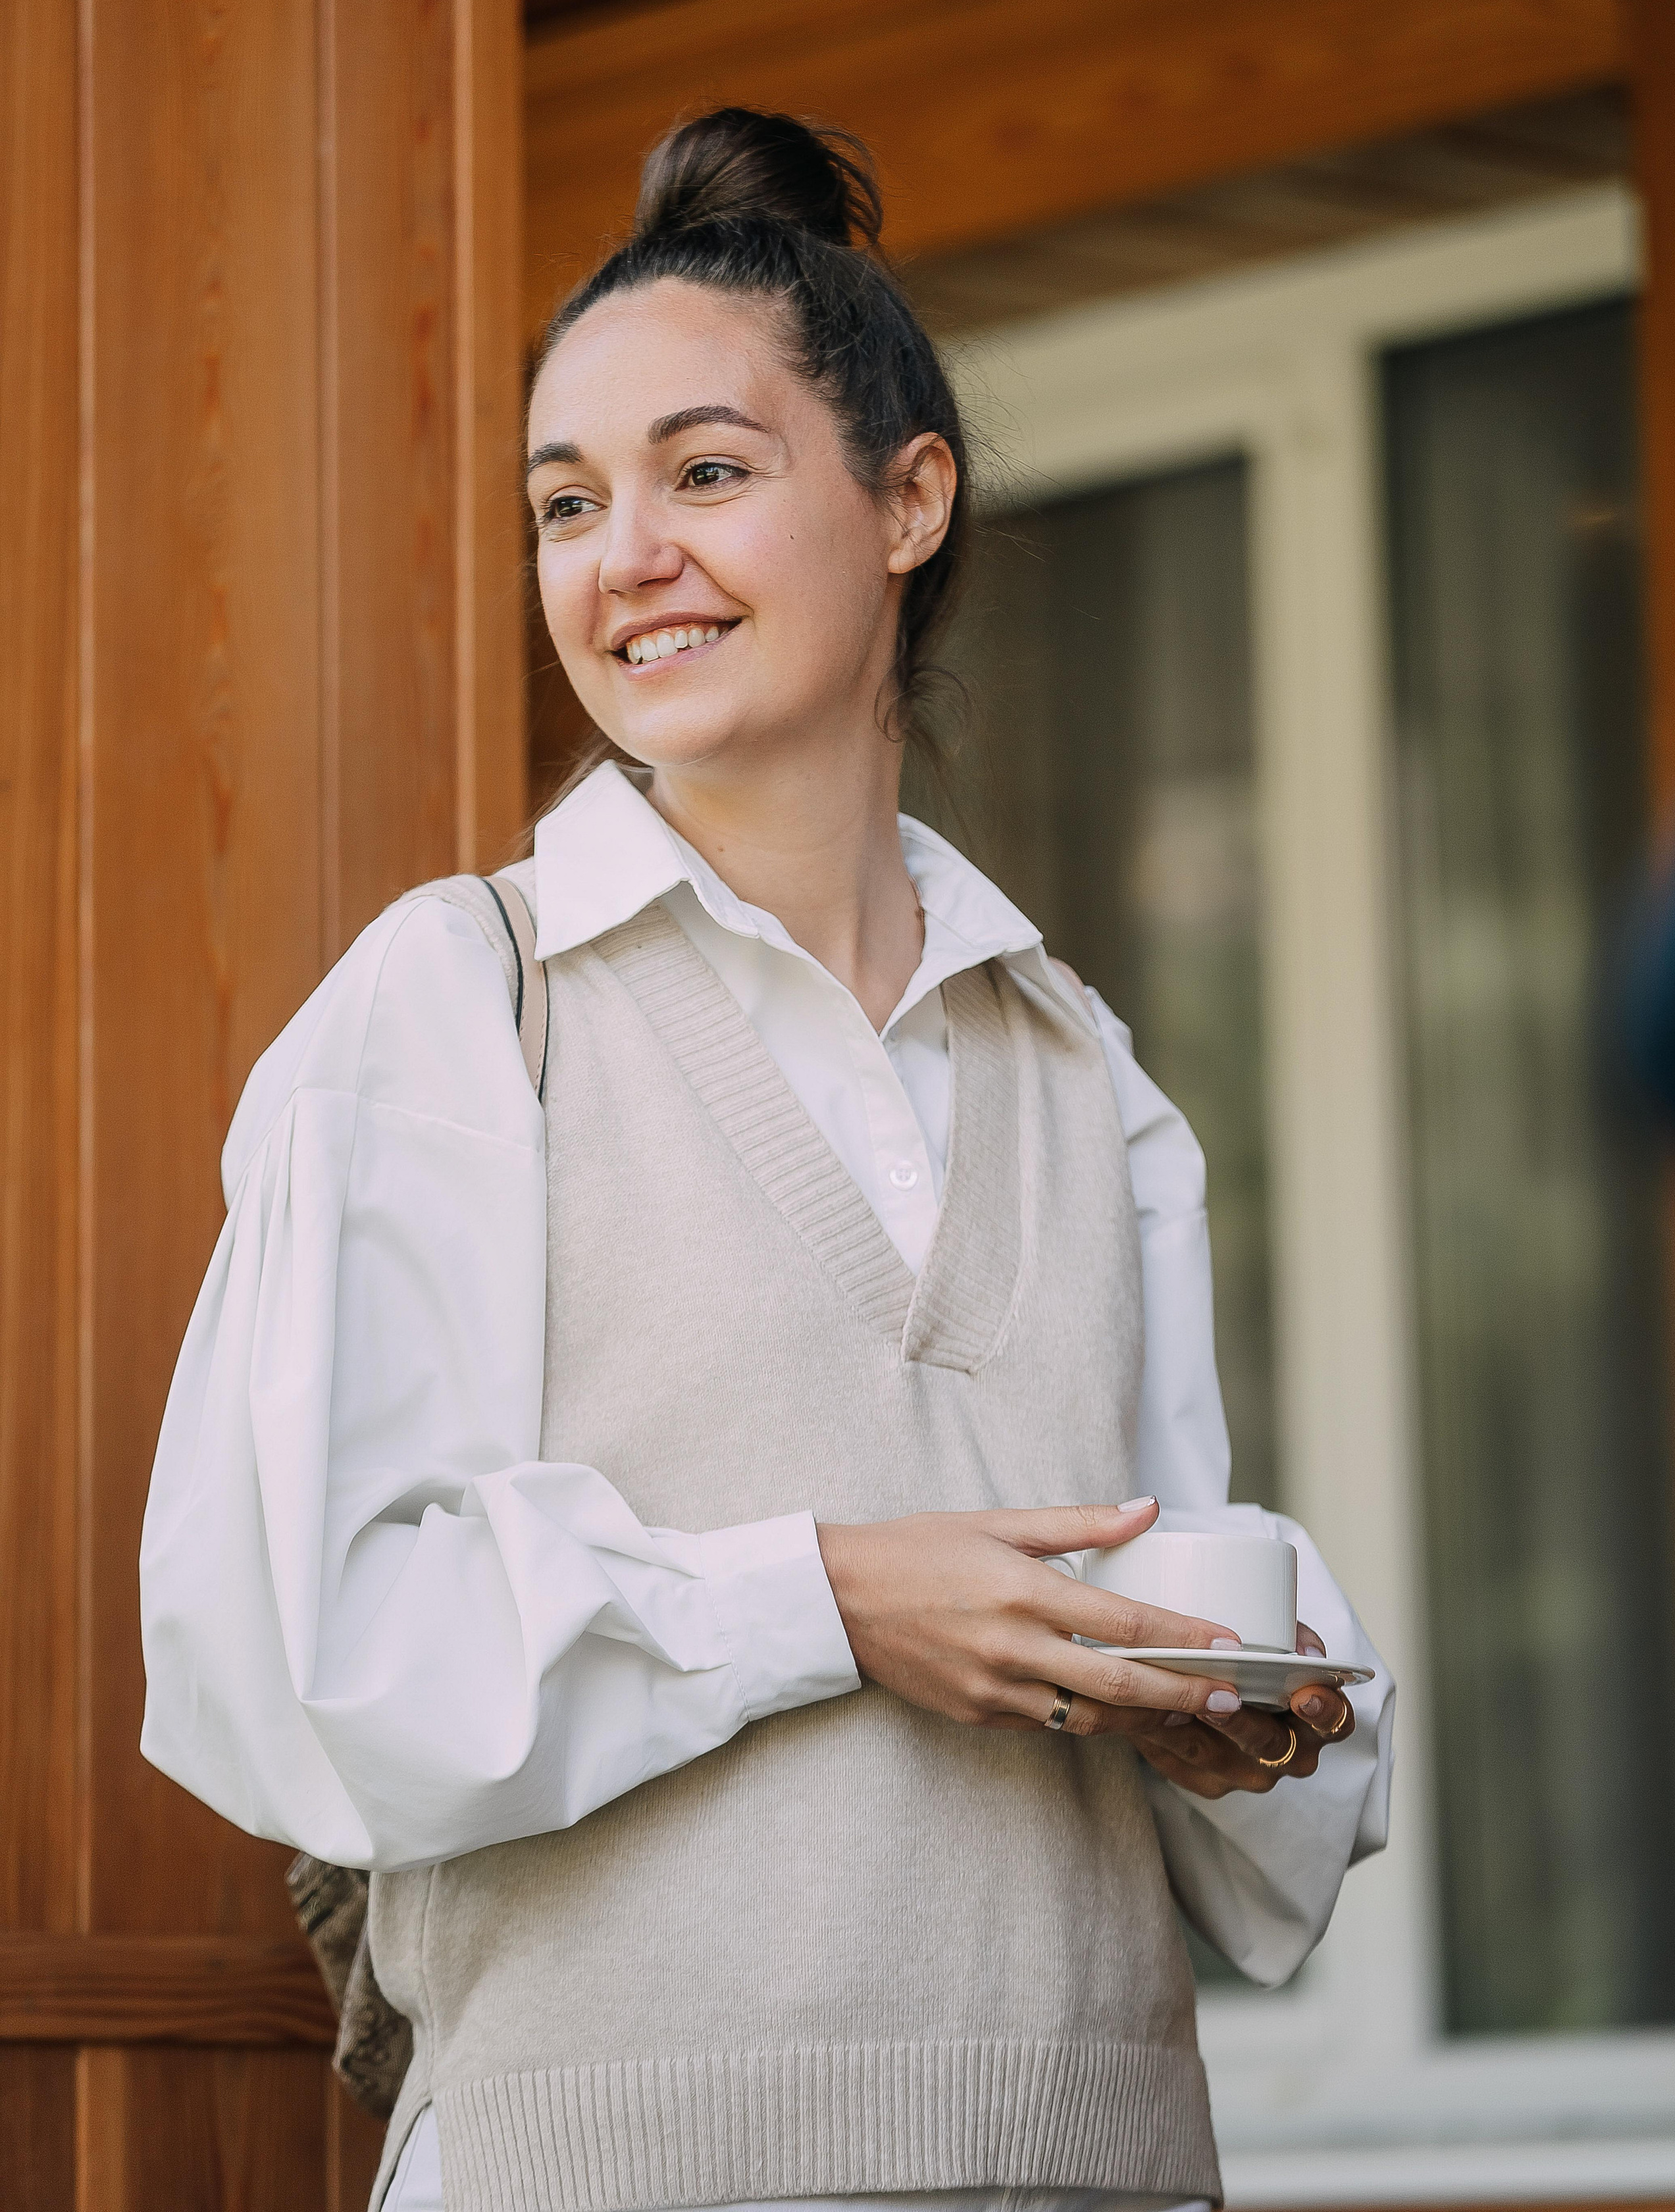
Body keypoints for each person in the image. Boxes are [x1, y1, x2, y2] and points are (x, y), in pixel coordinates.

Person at [140, 109, 1393, 2212]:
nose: (621, 556)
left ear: (911, 503)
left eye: (705, 474)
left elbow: (1229, 1805)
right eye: (567, 502)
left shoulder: (1085, 1072)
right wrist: (825, 1593)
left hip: (1102, 2168)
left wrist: (1235, 1722)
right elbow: (308, 1653)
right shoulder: (456, 1005)